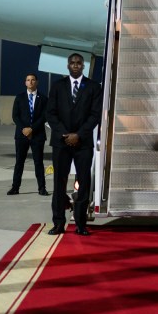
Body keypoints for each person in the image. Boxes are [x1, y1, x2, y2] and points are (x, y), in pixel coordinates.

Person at [45, 53, 102, 235]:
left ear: (83, 66)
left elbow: (95, 114)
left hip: (83, 142)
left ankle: (80, 224)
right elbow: (51, 114)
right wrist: (65, 134)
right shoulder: (57, 87)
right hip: (61, 143)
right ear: (68, 65)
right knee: (59, 183)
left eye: (79, 63)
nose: (76, 65)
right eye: (72, 63)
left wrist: (78, 134)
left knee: (83, 183)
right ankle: (59, 223)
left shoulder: (93, 87)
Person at [9, 73, 48, 196]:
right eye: (28, 80)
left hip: (37, 135)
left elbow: (44, 116)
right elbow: (15, 116)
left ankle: (42, 188)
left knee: (38, 163)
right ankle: (15, 188)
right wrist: (24, 129)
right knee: (19, 162)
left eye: (32, 80)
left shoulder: (44, 98)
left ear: (37, 82)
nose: (30, 82)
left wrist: (32, 129)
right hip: (21, 135)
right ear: (25, 83)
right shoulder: (19, 98)